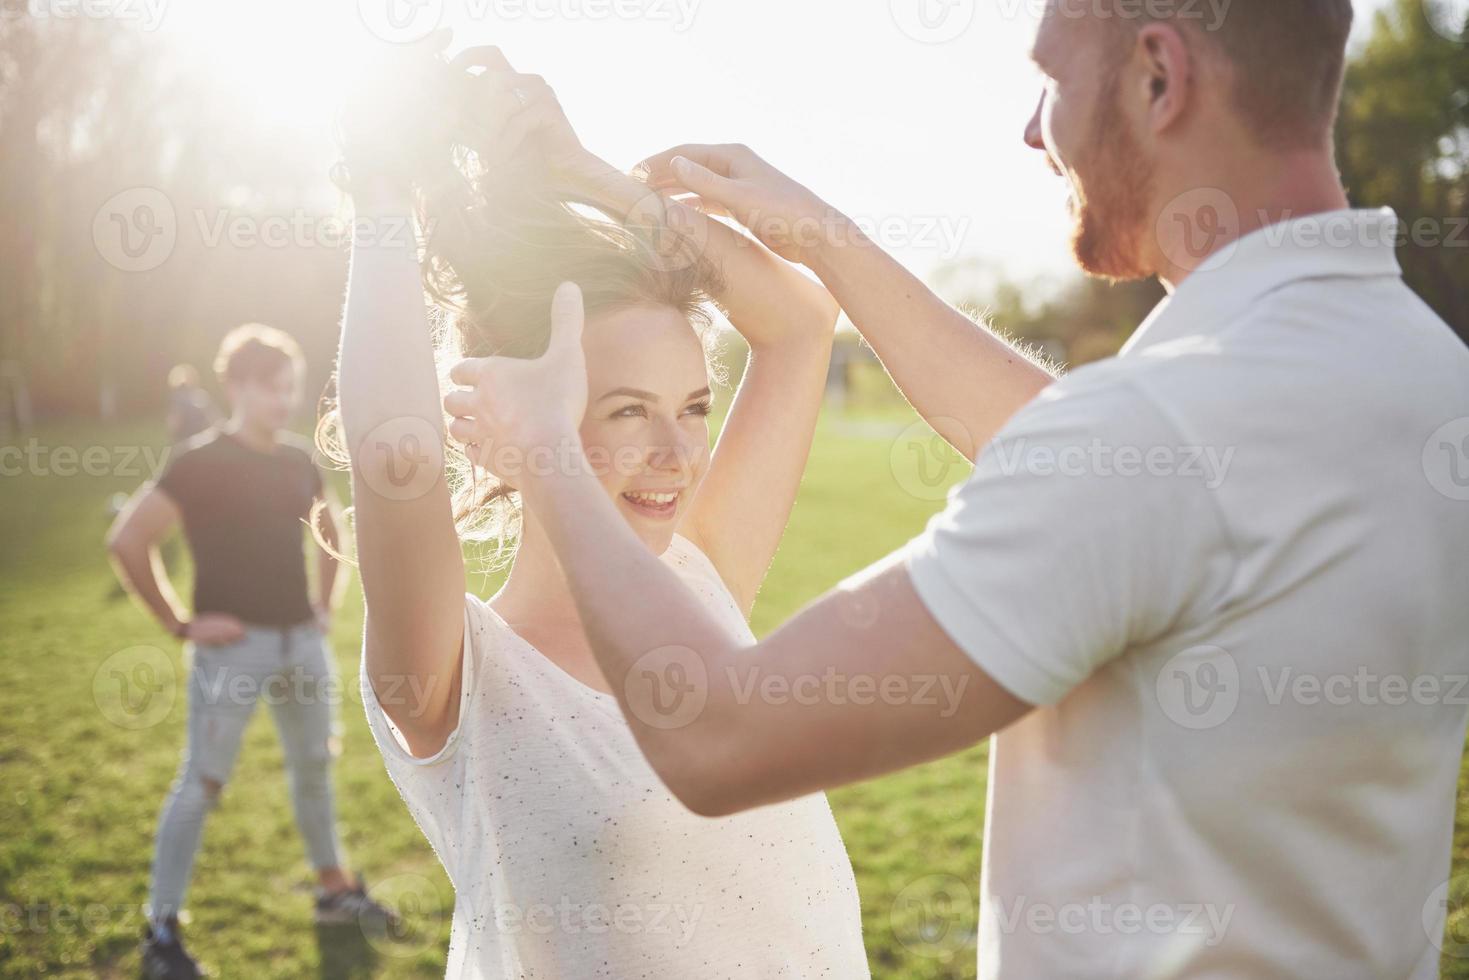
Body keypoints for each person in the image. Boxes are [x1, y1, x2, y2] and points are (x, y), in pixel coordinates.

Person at [445, 2, 1469, 976]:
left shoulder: (1161, 433)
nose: (1033, 129)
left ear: (1159, 76)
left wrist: (545, 449)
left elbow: (719, 732)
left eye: (1050, 78)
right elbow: (1089, 457)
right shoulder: (1421, 379)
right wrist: (820, 237)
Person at [327, 40, 1052, 977]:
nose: (678, 456)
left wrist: (582, 175)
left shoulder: (696, 582)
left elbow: (795, 324)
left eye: (694, 406)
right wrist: (383, 200)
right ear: (511, 414)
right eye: (628, 411)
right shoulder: (455, 679)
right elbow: (395, 451)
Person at [107, 324, 395, 980]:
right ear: (235, 386)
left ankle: (333, 891)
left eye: (291, 387)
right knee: (202, 782)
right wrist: (181, 624)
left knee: (314, 768)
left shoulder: (298, 459)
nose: (284, 400)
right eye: (271, 387)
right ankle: (161, 930)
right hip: (233, 649)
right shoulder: (197, 462)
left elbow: (331, 529)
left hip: (302, 644)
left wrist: (325, 607)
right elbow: (128, 540)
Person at [164, 364, 218, 445]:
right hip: (201, 441)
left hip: (184, 442)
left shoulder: (178, 398)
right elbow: (214, 419)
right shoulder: (201, 395)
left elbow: (175, 422)